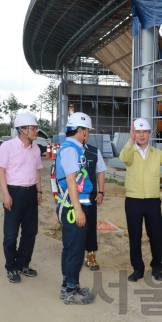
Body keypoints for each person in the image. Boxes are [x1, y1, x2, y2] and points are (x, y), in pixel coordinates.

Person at [119, 118, 162, 282]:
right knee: (135, 235)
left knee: (156, 235)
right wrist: (130, 140)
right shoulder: (130, 151)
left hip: (152, 201)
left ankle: (157, 267)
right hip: (133, 200)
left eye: (144, 132)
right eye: (138, 132)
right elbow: (124, 157)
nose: (141, 135)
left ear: (149, 134)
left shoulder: (156, 153)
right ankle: (137, 268)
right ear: (134, 133)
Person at [0, 113, 43, 283]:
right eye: (33, 128)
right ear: (22, 130)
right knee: (11, 234)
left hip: (31, 194)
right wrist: (5, 194)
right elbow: (1, 170)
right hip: (14, 194)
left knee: (30, 232)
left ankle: (23, 264)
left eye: (36, 128)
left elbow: (37, 170)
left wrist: (39, 191)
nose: (36, 131)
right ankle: (11, 267)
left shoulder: (36, 149)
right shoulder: (7, 147)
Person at [55, 112, 95, 305]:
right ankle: (71, 290)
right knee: (75, 249)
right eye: (87, 130)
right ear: (81, 131)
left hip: (75, 203)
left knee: (71, 246)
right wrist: (78, 209)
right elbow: (71, 180)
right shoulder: (71, 149)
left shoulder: (74, 148)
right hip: (73, 206)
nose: (88, 134)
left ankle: (68, 284)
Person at [82, 135, 107, 271]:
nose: (84, 134)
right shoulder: (68, 151)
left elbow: (100, 171)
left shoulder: (93, 151)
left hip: (90, 196)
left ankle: (90, 255)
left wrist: (101, 192)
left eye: (86, 130)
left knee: (90, 225)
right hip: (72, 197)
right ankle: (75, 254)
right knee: (74, 227)